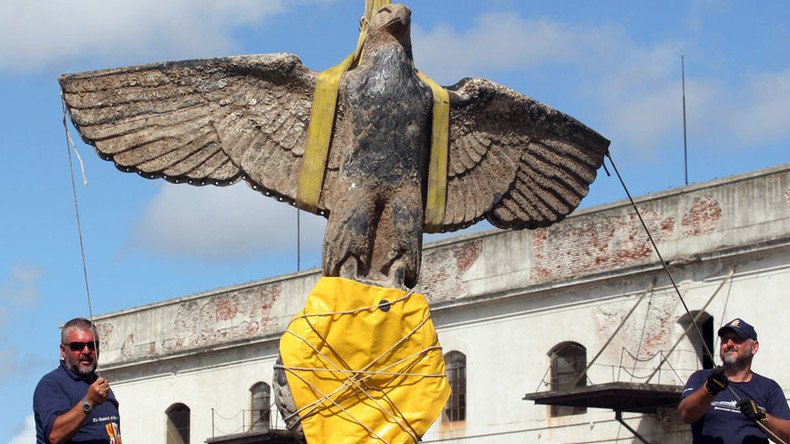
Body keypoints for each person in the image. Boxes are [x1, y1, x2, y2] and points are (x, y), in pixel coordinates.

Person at [678, 318, 790, 443]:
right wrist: (709, 390)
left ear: (754, 347)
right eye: (724, 340)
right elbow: (685, 414)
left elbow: (787, 436)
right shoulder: (701, 378)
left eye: (737, 339)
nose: (729, 344)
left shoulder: (769, 387)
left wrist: (762, 416)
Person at [34, 317, 122, 443]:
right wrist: (89, 402)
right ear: (63, 351)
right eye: (77, 346)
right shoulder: (51, 384)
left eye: (92, 345)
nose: (86, 351)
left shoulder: (101, 388)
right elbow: (54, 435)